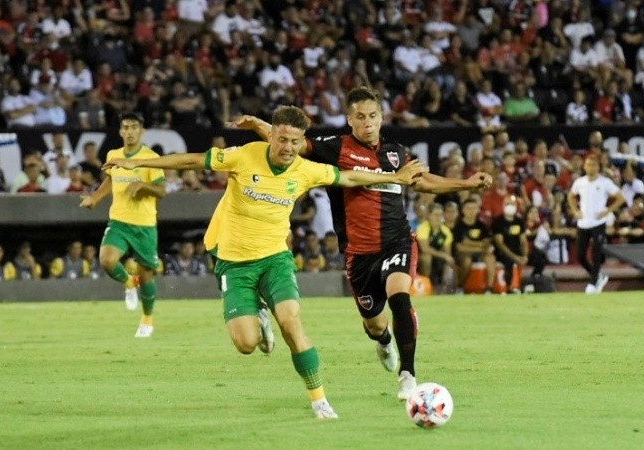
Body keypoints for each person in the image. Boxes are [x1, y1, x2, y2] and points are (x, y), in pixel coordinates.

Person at [104, 105, 428, 420]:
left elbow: (352, 178)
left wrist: (396, 178)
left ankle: (320, 401)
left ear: (302, 142)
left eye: (295, 141)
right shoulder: (244, 155)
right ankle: (259, 315)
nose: (289, 148)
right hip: (234, 262)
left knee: (291, 321)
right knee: (246, 344)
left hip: (275, 258)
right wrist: (138, 165)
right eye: (283, 139)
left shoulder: (307, 169)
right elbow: (190, 160)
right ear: (271, 135)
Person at [231, 87, 493, 400]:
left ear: (381, 118)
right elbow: (293, 144)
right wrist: (259, 125)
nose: (367, 122)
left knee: (400, 296)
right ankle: (383, 340)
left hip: (397, 240)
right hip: (359, 253)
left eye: (372, 116)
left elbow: (421, 181)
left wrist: (466, 183)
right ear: (349, 120)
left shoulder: (396, 152)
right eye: (360, 117)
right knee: (374, 324)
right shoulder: (336, 148)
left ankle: (408, 376)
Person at [79, 112, 166, 338]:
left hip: (144, 226)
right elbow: (110, 179)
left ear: (142, 131)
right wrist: (94, 199)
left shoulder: (151, 158)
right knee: (106, 260)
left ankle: (147, 318)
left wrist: (141, 186)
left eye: (134, 127)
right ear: (120, 131)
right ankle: (128, 282)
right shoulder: (113, 155)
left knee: (147, 275)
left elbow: (161, 191)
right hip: (119, 221)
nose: (129, 131)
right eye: (125, 127)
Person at [567, 155, 626, 294]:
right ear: (584, 166)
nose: (590, 167)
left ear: (598, 167)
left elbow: (620, 197)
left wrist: (608, 211)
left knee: (597, 252)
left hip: (598, 222)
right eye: (588, 164)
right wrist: (575, 211)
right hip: (583, 223)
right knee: (580, 256)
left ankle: (593, 282)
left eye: (593, 165)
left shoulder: (605, 182)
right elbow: (570, 196)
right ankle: (598, 276)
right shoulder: (579, 182)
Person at [491, 195, 528, 293]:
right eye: (507, 204)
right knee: (509, 262)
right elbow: (500, 244)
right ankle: (509, 288)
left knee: (539, 257)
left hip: (517, 251)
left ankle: (531, 282)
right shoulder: (498, 222)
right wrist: (515, 257)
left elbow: (523, 241)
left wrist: (525, 255)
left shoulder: (519, 221)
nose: (510, 206)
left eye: (512, 204)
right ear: (503, 206)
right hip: (503, 253)